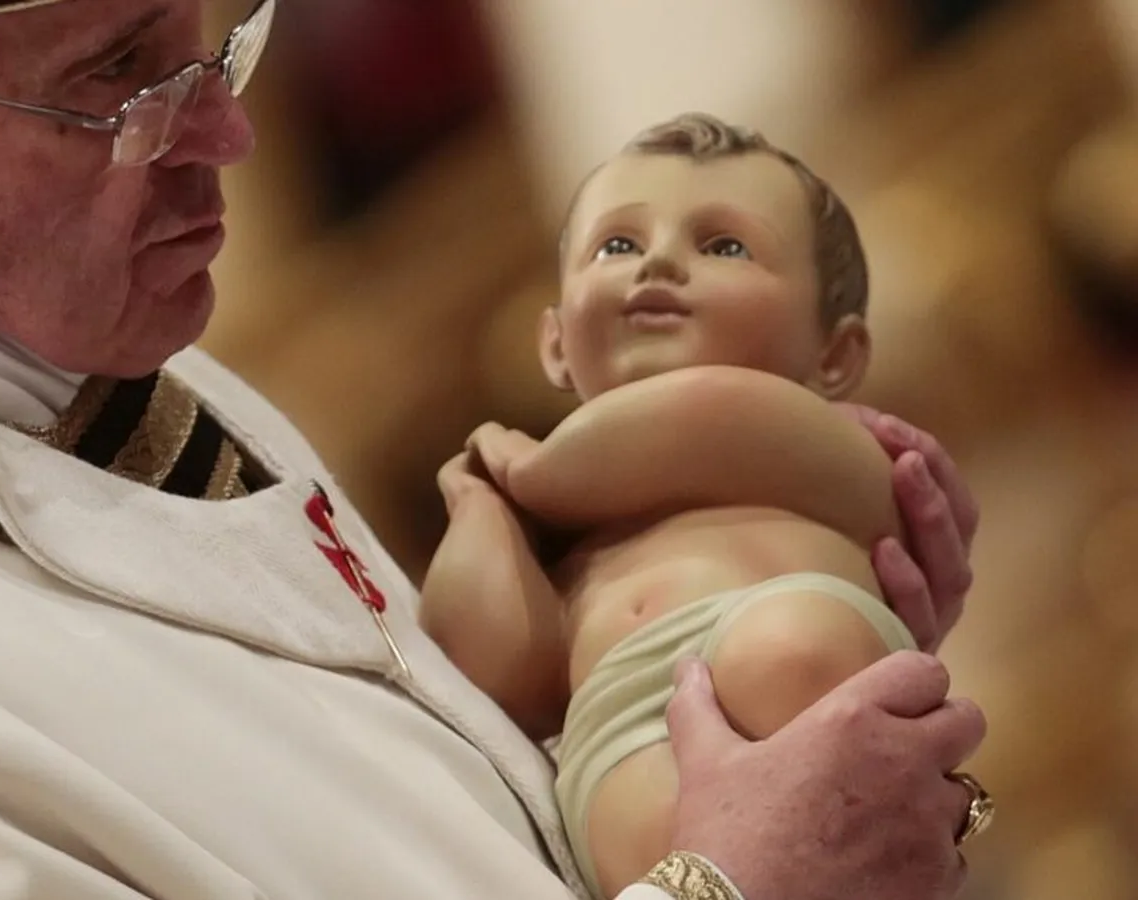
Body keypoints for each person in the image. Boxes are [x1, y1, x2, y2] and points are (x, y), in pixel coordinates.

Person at [0, 2, 986, 898]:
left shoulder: (38, 361)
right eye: (122, 79)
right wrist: (731, 887)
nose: (225, 133)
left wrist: (690, 667)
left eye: (216, 40)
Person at [418, 112, 995, 898]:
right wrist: (475, 505)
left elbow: (689, 420)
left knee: (787, 655)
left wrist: (525, 470)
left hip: (787, 631)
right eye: (616, 246)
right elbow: (492, 667)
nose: (657, 260)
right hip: (614, 731)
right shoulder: (560, 526)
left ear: (834, 354)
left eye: (723, 246)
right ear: (554, 343)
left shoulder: (806, 432)